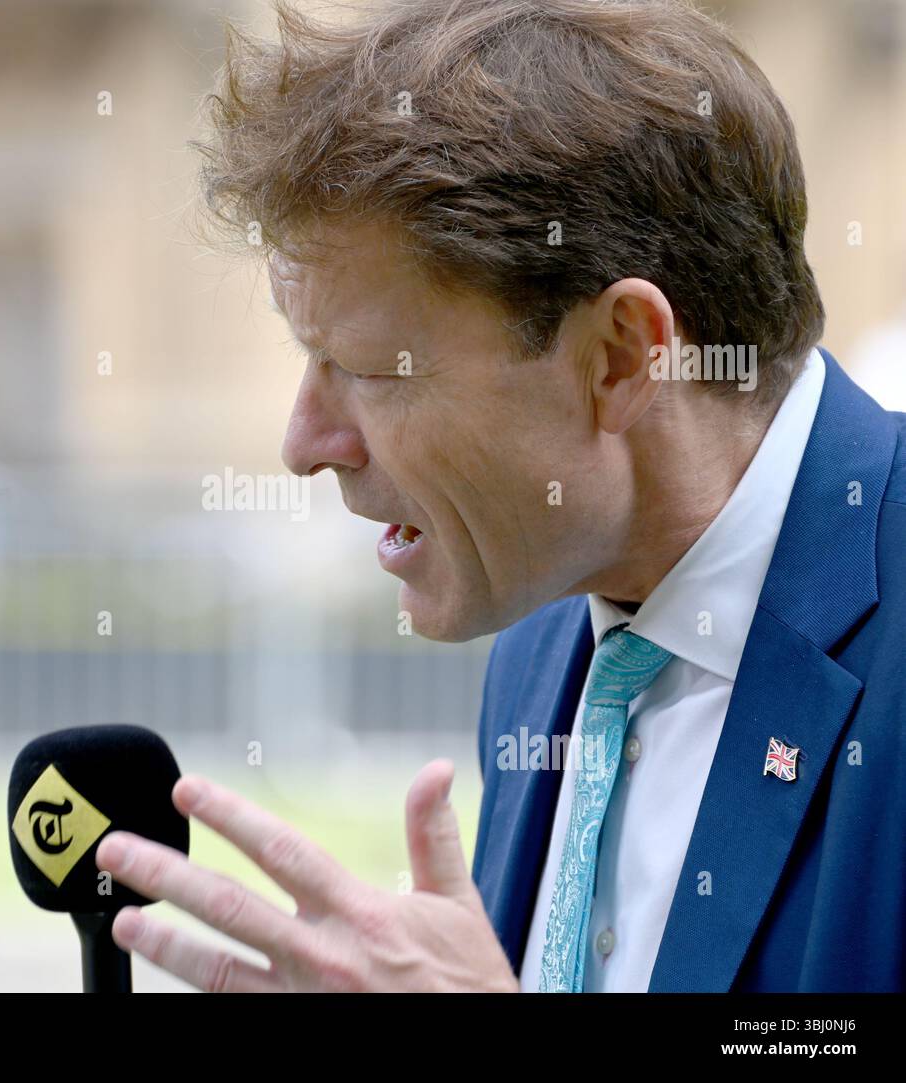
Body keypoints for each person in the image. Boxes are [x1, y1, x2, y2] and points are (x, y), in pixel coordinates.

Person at [93, 0, 906, 991]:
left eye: (370, 369)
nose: (303, 447)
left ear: (619, 358)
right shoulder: (547, 629)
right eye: (308, 360)